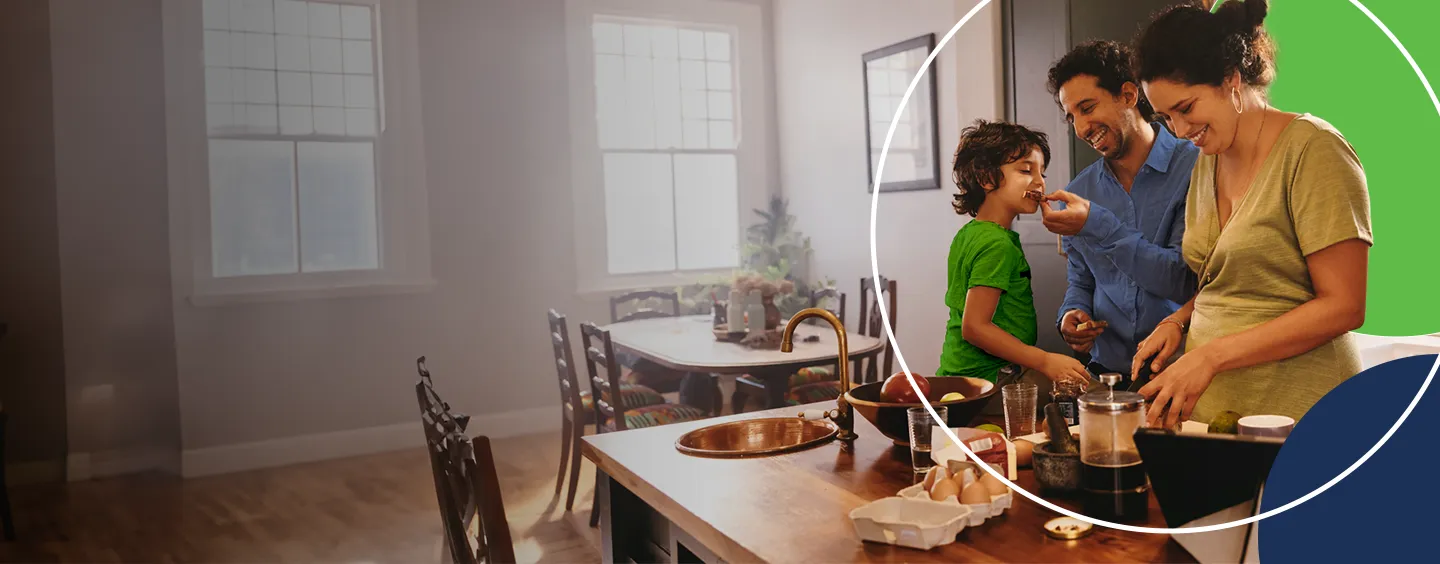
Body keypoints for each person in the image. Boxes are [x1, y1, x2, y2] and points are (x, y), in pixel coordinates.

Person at [1130, 0, 1372, 428]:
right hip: (1218, 416)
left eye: (1186, 108)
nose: (1181, 132)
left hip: (1306, 414)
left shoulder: (1314, 150)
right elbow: (1235, 280)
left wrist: (1210, 356)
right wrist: (1179, 320)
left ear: (1231, 79)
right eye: (1166, 117)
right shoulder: (1208, 159)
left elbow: (1344, 306)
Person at [1040, 40, 1201, 386]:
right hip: (1106, 376)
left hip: (1179, 375)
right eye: (1072, 117)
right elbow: (1082, 280)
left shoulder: (1195, 168)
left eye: (1087, 107)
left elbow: (1182, 281)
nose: (1082, 129)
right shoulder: (1080, 191)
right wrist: (1071, 315)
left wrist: (1099, 225)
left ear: (1128, 95)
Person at [937, 119, 1090, 388]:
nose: (1039, 182)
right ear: (986, 178)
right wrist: (1044, 361)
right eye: (1025, 170)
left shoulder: (972, 233)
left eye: (1042, 172)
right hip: (991, 380)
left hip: (966, 375)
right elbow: (974, 327)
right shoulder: (997, 244)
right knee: (1090, 395)